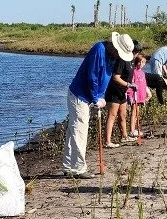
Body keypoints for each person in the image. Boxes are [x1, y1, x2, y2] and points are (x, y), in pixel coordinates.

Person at [62, 32, 134, 178]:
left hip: (88, 97)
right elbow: (92, 76)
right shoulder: (99, 49)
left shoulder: (112, 57)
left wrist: (101, 97)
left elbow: (104, 78)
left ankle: (68, 166)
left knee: (74, 131)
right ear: (115, 46)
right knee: (79, 132)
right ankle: (78, 169)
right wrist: (96, 98)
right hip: (79, 96)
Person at [103, 39, 137, 147]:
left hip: (122, 92)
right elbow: (116, 77)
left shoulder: (130, 61)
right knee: (112, 115)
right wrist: (128, 84)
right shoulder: (121, 60)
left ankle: (124, 137)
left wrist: (129, 87)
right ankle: (108, 141)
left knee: (123, 115)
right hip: (114, 90)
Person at [126, 50, 150, 139]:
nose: (141, 64)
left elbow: (144, 85)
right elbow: (130, 84)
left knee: (137, 113)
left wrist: (145, 97)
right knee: (134, 112)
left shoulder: (142, 73)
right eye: (139, 62)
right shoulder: (133, 72)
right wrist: (130, 95)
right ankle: (132, 130)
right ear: (136, 62)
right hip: (134, 96)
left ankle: (135, 128)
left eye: (143, 62)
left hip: (141, 96)